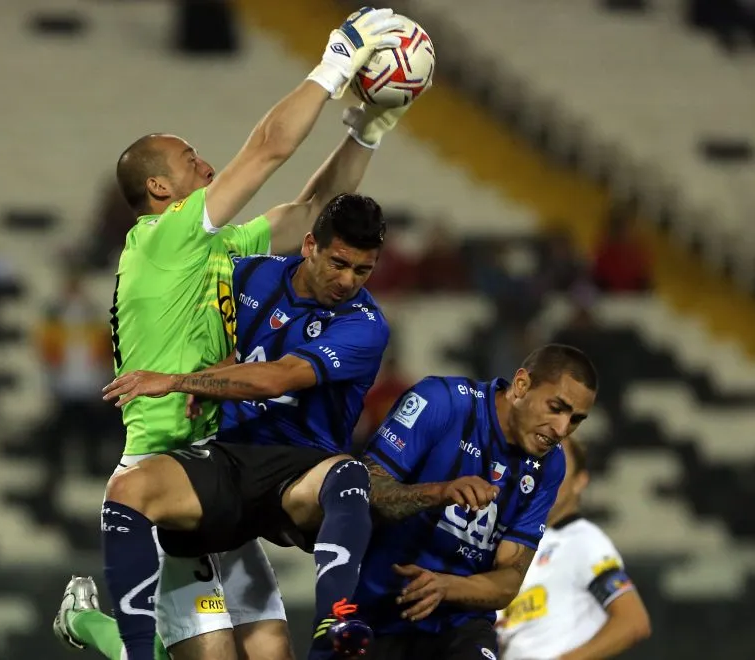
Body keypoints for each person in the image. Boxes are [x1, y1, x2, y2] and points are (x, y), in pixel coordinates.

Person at [51, 7, 409, 660]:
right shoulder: (167, 236)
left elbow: (307, 214)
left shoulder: (207, 249)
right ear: (162, 186)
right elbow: (270, 147)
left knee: (270, 651)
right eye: (192, 160)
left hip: (223, 468)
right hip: (166, 470)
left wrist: (368, 129)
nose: (209, 165)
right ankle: (93, 626)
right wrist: (337, 62)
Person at [100, 193, 390, 660]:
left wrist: (180, 380)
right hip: (228, 463)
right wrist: (208, 374)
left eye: (362, 271)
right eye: (339, 263)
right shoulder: (250, 273)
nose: (347, 281)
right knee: (128, 491)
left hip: (297, 475)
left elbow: (277, 377)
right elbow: (212, 333)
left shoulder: (365, 324)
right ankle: (114, 637)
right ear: (310, 245)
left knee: (349, 473)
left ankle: (334, 620)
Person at [352, 345, 599, 659]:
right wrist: (439, 493)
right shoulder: (442, 402)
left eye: (575, 419)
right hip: (374, 611)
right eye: (556, 407)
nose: (562, 430)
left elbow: (510, 579)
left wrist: (447, 587)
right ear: (521, 385)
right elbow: (364, 490)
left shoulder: (551, 465)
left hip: (458, 624)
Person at [497, 437, 651, 660]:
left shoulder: (584, 540)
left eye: (559, 467)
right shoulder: (519, 543)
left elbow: (633, 622)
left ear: (580, 481)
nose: (548, 476)